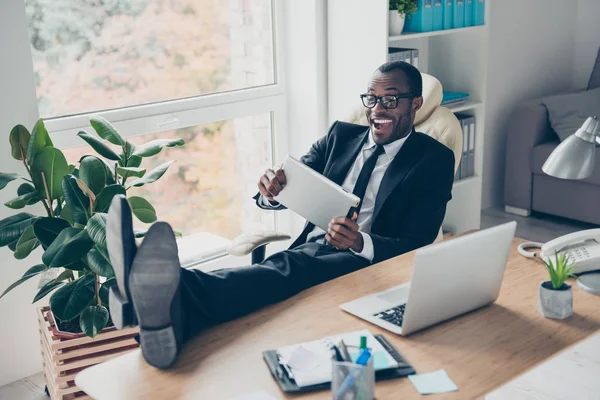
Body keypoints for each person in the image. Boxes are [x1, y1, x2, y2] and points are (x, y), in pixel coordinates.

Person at [106, 61, 455, 369]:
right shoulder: (341, 135)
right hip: (314, 247)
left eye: (390, 100)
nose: (377, 109)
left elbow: (418, 241)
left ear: (416, 103)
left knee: (283, 269)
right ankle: (169, 327)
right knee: (275, 274)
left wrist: (360, 241)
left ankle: (163, 287)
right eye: (371, 98)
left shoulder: (432, 159)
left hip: (366, 263)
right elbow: (295, 179)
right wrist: (271, 191)